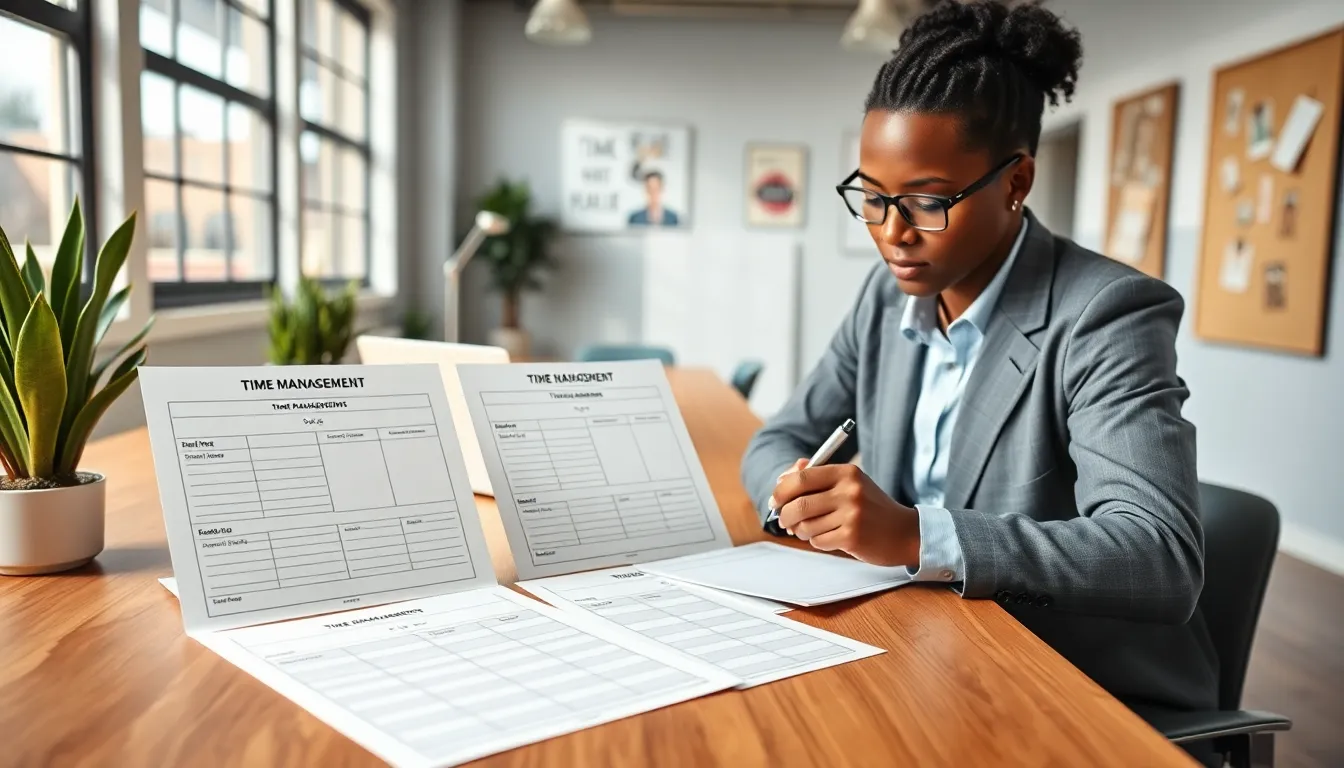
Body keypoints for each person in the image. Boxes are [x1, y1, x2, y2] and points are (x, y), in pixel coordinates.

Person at [741, 1, 1219, 764]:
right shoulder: (887, 292)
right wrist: (793, 498)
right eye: (872, 196)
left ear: (1016, 181)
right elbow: (780, 437)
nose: (893, 232)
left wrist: (911, 535)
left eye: (927, 201)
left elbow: (1157, 555)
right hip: (916, 642)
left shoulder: (1106, 314)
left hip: (1068, 678)